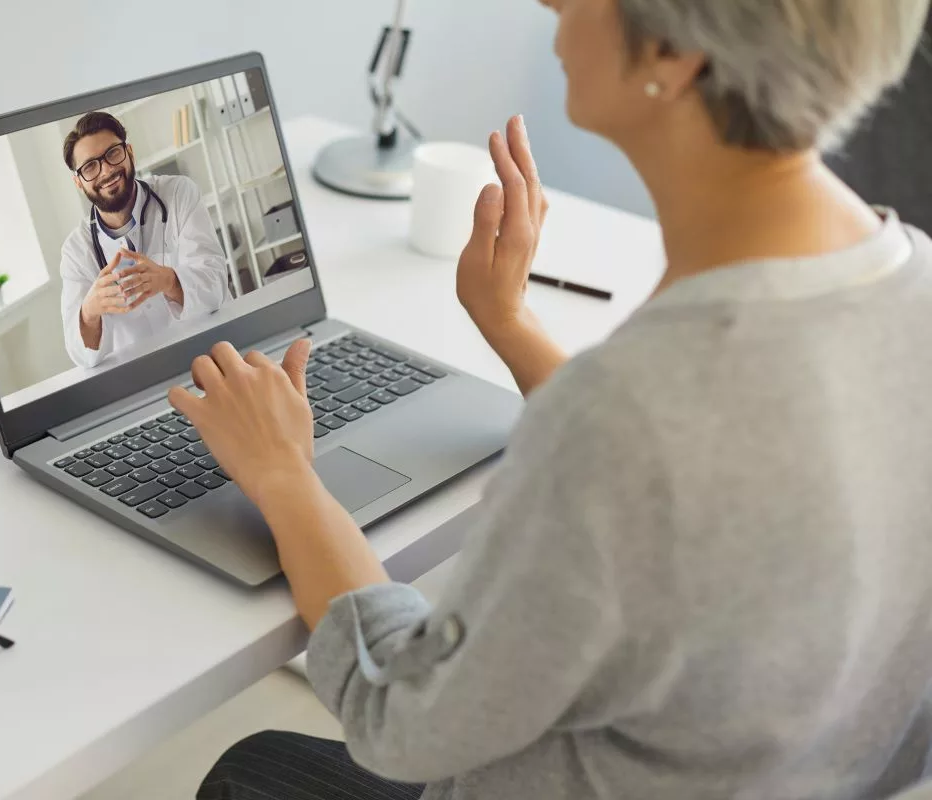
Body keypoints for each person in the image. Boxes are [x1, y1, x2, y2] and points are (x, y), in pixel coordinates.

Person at [174, 0, 932, 798]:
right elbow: (701, 485)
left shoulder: (628, 414)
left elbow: (402, 717)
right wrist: (509, 321)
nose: (550, 4)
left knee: (247, 772)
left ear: (674, 57)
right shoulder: (909, 281)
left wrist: (285, 476)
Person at [59, 112, 230, 369]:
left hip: (212, 357)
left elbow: (215, 284)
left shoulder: (178, 194)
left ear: (129, 152)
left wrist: (169, 280)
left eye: (113, 153)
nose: (106, 170)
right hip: (145, 377)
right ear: (78, 182)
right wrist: (90, 311)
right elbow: (82, 357)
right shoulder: (75, 251)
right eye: (90, 167)